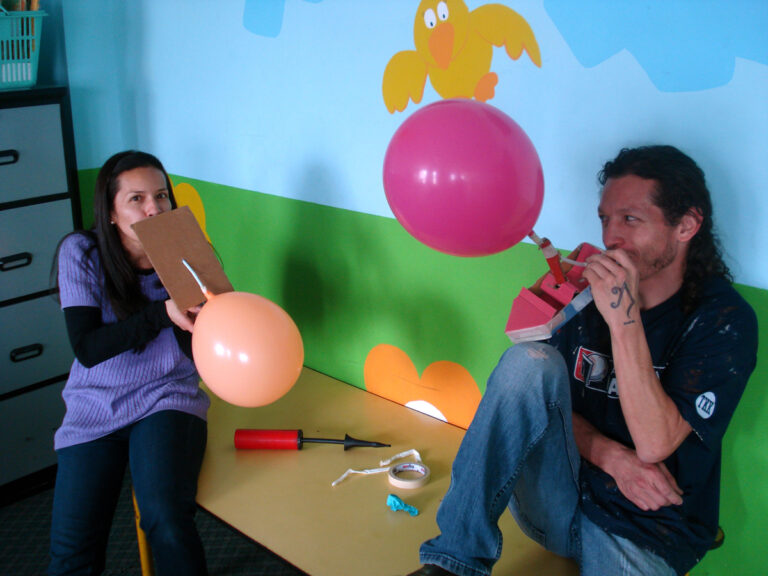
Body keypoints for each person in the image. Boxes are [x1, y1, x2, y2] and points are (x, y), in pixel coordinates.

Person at [406, 145, 758, 576]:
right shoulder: (584, 293)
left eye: (630, 219)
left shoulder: (723, 320)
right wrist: (611, 456)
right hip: (558, 502)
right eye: (605, 219)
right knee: (527, 362)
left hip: (650, 529)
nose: (611, 237)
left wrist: (623, 318)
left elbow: (655, 444)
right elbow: (538, 407)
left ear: (686, 225)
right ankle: (452, 561)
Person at [48, 151, 211, 575]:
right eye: (136, 199)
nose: (154, 208)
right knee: (71, 552)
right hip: (94, 405)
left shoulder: (186, 249)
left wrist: (204, 308)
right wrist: (162, 313)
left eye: (161, 195)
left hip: (166, 397)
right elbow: (87, 348)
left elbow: (200, 349)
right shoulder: (81, 252)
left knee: (165, 517)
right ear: (111, 212)